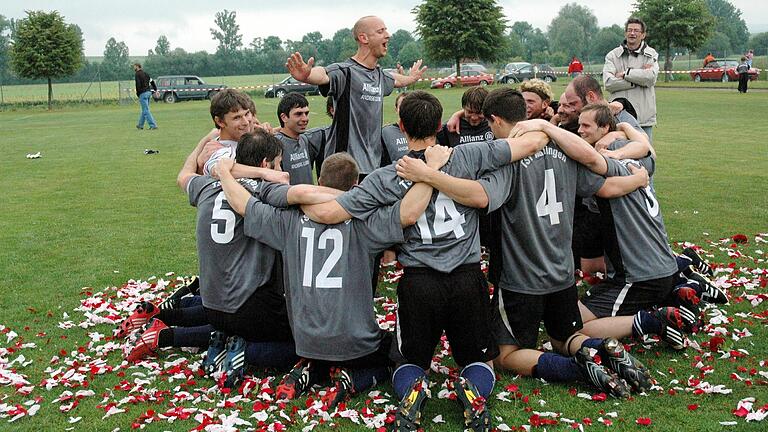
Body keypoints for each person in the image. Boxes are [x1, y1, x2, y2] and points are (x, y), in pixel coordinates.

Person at [290, 91, 551, 431]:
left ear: (401, 127)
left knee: (408, 361)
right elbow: (531, 143)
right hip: (466, 276)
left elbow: (329, 213)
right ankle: (473, 391)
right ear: (441, 124)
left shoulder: (388, 175)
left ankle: (414, 390)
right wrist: (540, 124)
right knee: (477, 359)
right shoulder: (469, 156)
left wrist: (294, 195)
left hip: (419, 279)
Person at [398, 89, 653, 400]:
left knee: (506, 354)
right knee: (565, 337)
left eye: (490, 126)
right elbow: (606, 184)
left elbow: (482, 196)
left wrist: (428, 173)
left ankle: (577, 369)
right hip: (561, 270)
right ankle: (599, 348)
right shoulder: (564, 148)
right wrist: (640, 178)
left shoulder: (505, 159)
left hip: (521, 276)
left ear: (495, 120)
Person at [215, 151, 440, 410]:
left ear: (318, 182)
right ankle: (354, 379)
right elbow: (408, 213)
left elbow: (243, 204)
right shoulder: (364, 222)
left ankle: (313, 369)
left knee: (322, 346)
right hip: (355, 342)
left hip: (305, 340)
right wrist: (429, 173)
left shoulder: (288, 220)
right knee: (394, 352)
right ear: (356, 186)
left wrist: (223, 172)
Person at [285, 15, 426, 180]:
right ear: (363, 38)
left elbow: (395, 79)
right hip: (345, 169)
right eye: (381, 31)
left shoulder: (379, 76)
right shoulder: (345, 71)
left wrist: (411, 78)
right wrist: (307, 76)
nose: (388, 35)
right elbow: (323, 74)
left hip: (373, 167)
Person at [603, 17, 658, 140]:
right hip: (619, 117)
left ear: (643, 35)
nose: (632, 33)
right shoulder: (612, 55)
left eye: (636, 31)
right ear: (625, 33)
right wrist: (636, 81)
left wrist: (626, 73)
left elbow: (650, 78)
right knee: (618, 154)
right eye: (629, 30)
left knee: (645, 155)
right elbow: (608, 83)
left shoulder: (651, 54)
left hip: (643, 119)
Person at [275, 92, 314, 185]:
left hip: (310, 198)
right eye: (299, 114)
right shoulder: (276, 144)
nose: (305, 119)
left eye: (306, 113)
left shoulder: (304, 139)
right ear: (284, 117)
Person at [381, 92, 410, 165]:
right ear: (396, 109)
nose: (406, 110)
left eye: (409, 106)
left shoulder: (424, 132)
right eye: (402, 106)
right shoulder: (386, 132)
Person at [133, 63, 158, 130]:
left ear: (137, 67)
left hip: (143, 93)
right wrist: (155, 89)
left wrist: (138, 94)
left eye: (134, 67)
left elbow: (137, 85)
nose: (134, 68)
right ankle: (140, 125)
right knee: (144, 109)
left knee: (146, 110)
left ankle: (153, 125)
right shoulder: (146, 73)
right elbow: (152, 81)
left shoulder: (137, 74)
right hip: (148, 92)